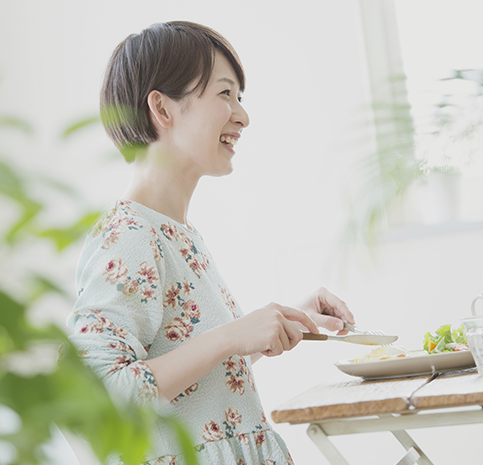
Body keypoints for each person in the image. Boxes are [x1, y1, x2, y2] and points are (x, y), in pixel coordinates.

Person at [67, 20, 355, 465]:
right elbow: (99, 397)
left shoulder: (176, 232)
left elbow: (192, 384)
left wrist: (274, 326)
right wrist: (230, 336)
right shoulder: (127, 234)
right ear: (162, 109)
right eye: (225, 94)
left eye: (239, 97)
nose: (242, 115)